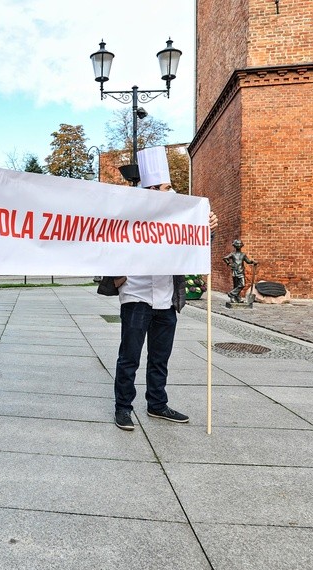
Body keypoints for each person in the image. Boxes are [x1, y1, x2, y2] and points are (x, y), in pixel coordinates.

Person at [113, 146, 217, 431]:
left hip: (166, 298)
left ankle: (157, 404)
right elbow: (107, 245)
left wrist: (206, 226)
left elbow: (200, 243)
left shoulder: (179, 215)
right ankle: (123, 407)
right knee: (129, 357)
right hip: (135, 294)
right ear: (148, 190)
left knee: (160, 358)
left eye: (170, 186)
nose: (170, 192)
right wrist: (114, 275)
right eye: (163, 187)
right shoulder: (129, 216)